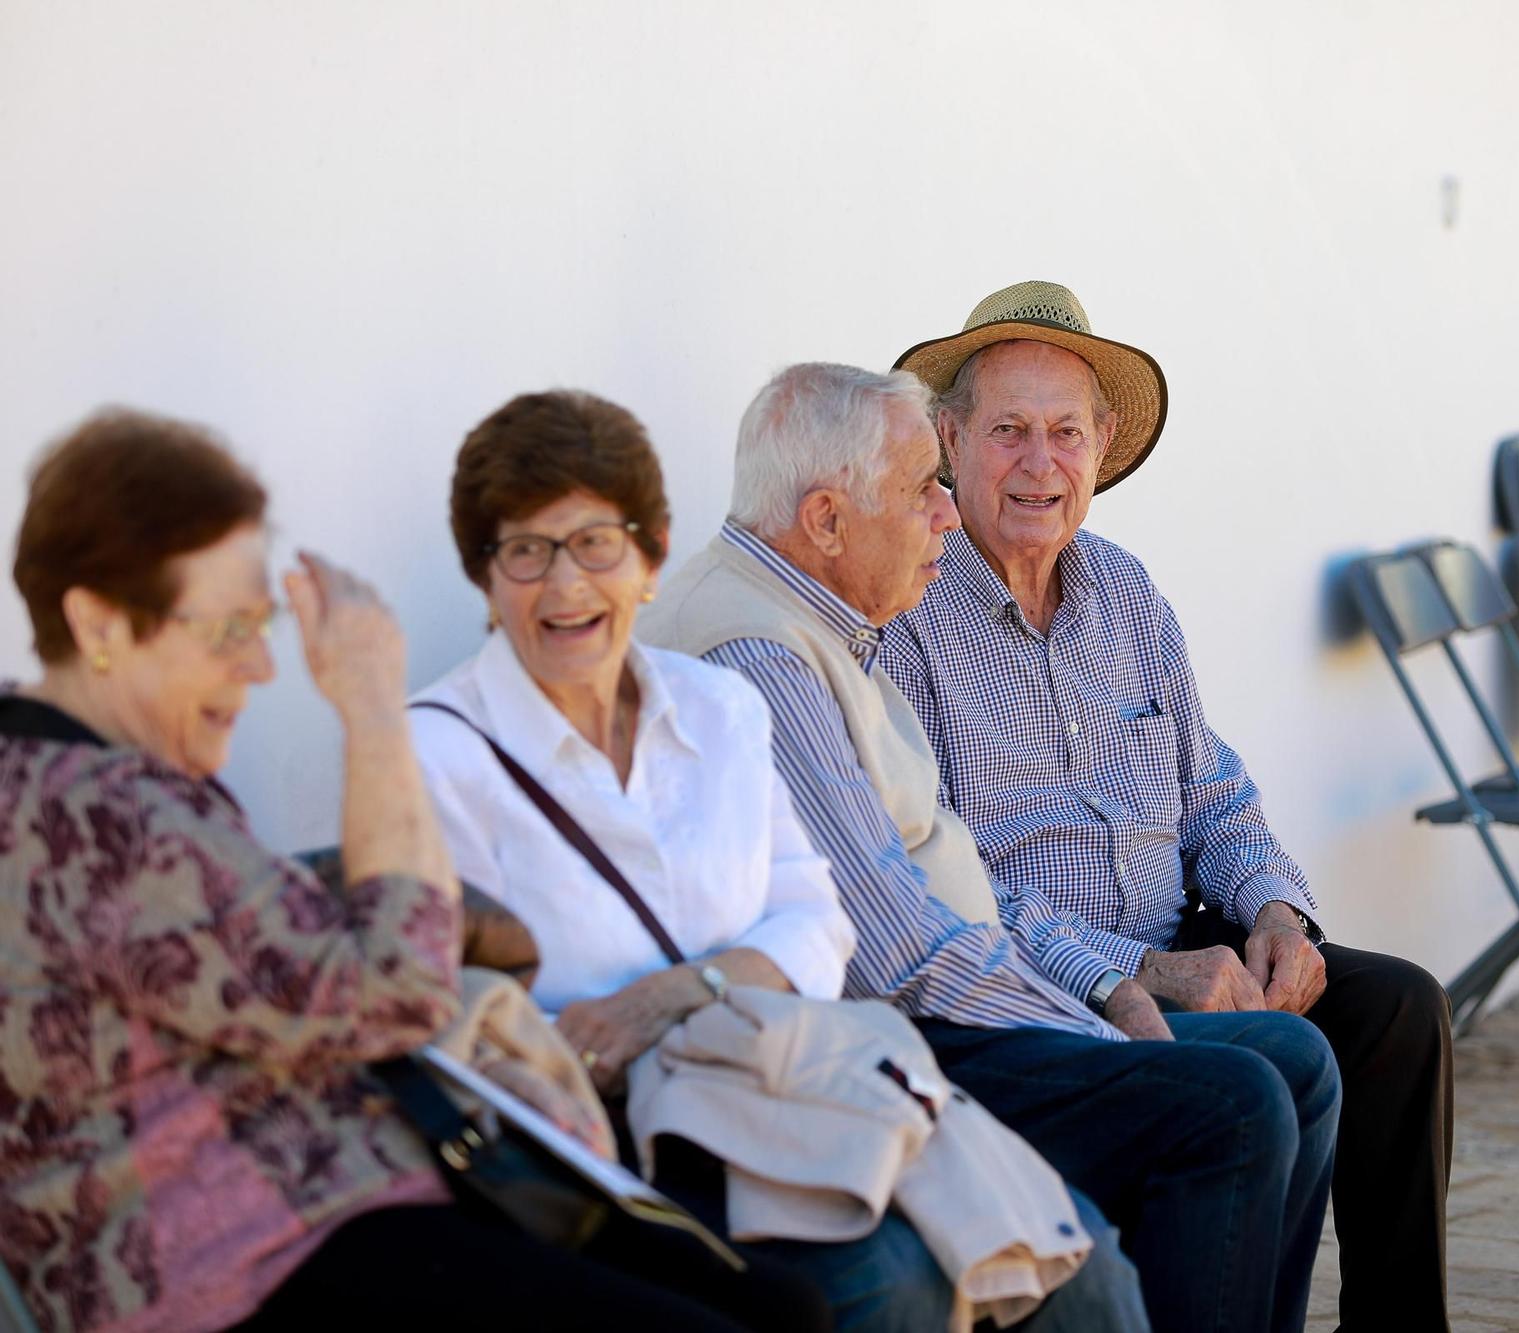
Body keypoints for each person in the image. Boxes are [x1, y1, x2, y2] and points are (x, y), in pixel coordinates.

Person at [0, 409, 809, 1333]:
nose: (263, 665)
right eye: (227, 629)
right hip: (242, 1263)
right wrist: (373, 708)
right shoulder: (97, 813)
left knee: (783, 1305)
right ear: (96, 622)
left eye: (259, 622)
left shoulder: (74, 779)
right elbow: (397, 995)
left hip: (338, 1201)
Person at [407, 389, 1148, 1333]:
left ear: (649, 557)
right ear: (483, 571)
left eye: (596, 546)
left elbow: (816, 916)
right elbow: (448, 1005)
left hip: (788, 1080)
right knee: (898, 1281)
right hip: (621, 1133)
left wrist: (675, 993)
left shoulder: (713, 705)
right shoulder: (438, 749)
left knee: (1082, 1267)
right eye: (525, 552)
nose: (565, 587)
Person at [645, 362, 1338, 1333]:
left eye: (1066, 432)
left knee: (1302, 1058)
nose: (942, 514)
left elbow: (946, 866)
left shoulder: (831, 625)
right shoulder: (766, 651)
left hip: (988, 984)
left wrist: (1106, 985)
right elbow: (900, 952)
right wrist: (1098, 1012)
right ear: (826, 520)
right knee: (1232, 1102)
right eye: (923, 486)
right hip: (898, 1035)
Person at [879, 280, 1456, 1331]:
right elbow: (942, 872)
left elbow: (1213, 794)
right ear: (949, 441)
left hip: (1192, 943)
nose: (1038, 463)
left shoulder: (1128, 594)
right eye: (1007, 430)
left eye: (1064, 432)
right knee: (1273, 1068)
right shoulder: (908, 619)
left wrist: (1276, 911)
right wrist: (1140, 970)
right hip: (1049, 984)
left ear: (1101, 445)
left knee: (1398, 1010)